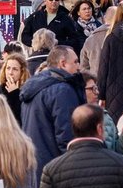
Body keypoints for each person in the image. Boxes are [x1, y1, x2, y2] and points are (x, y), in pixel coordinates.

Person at [21, 45, 86, 174]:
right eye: (75, 62)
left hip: (34, 164)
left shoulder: (33, 87)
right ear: (62, 63)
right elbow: (66, 136)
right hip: (56, 168)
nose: (79, 67)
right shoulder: (62, 90)